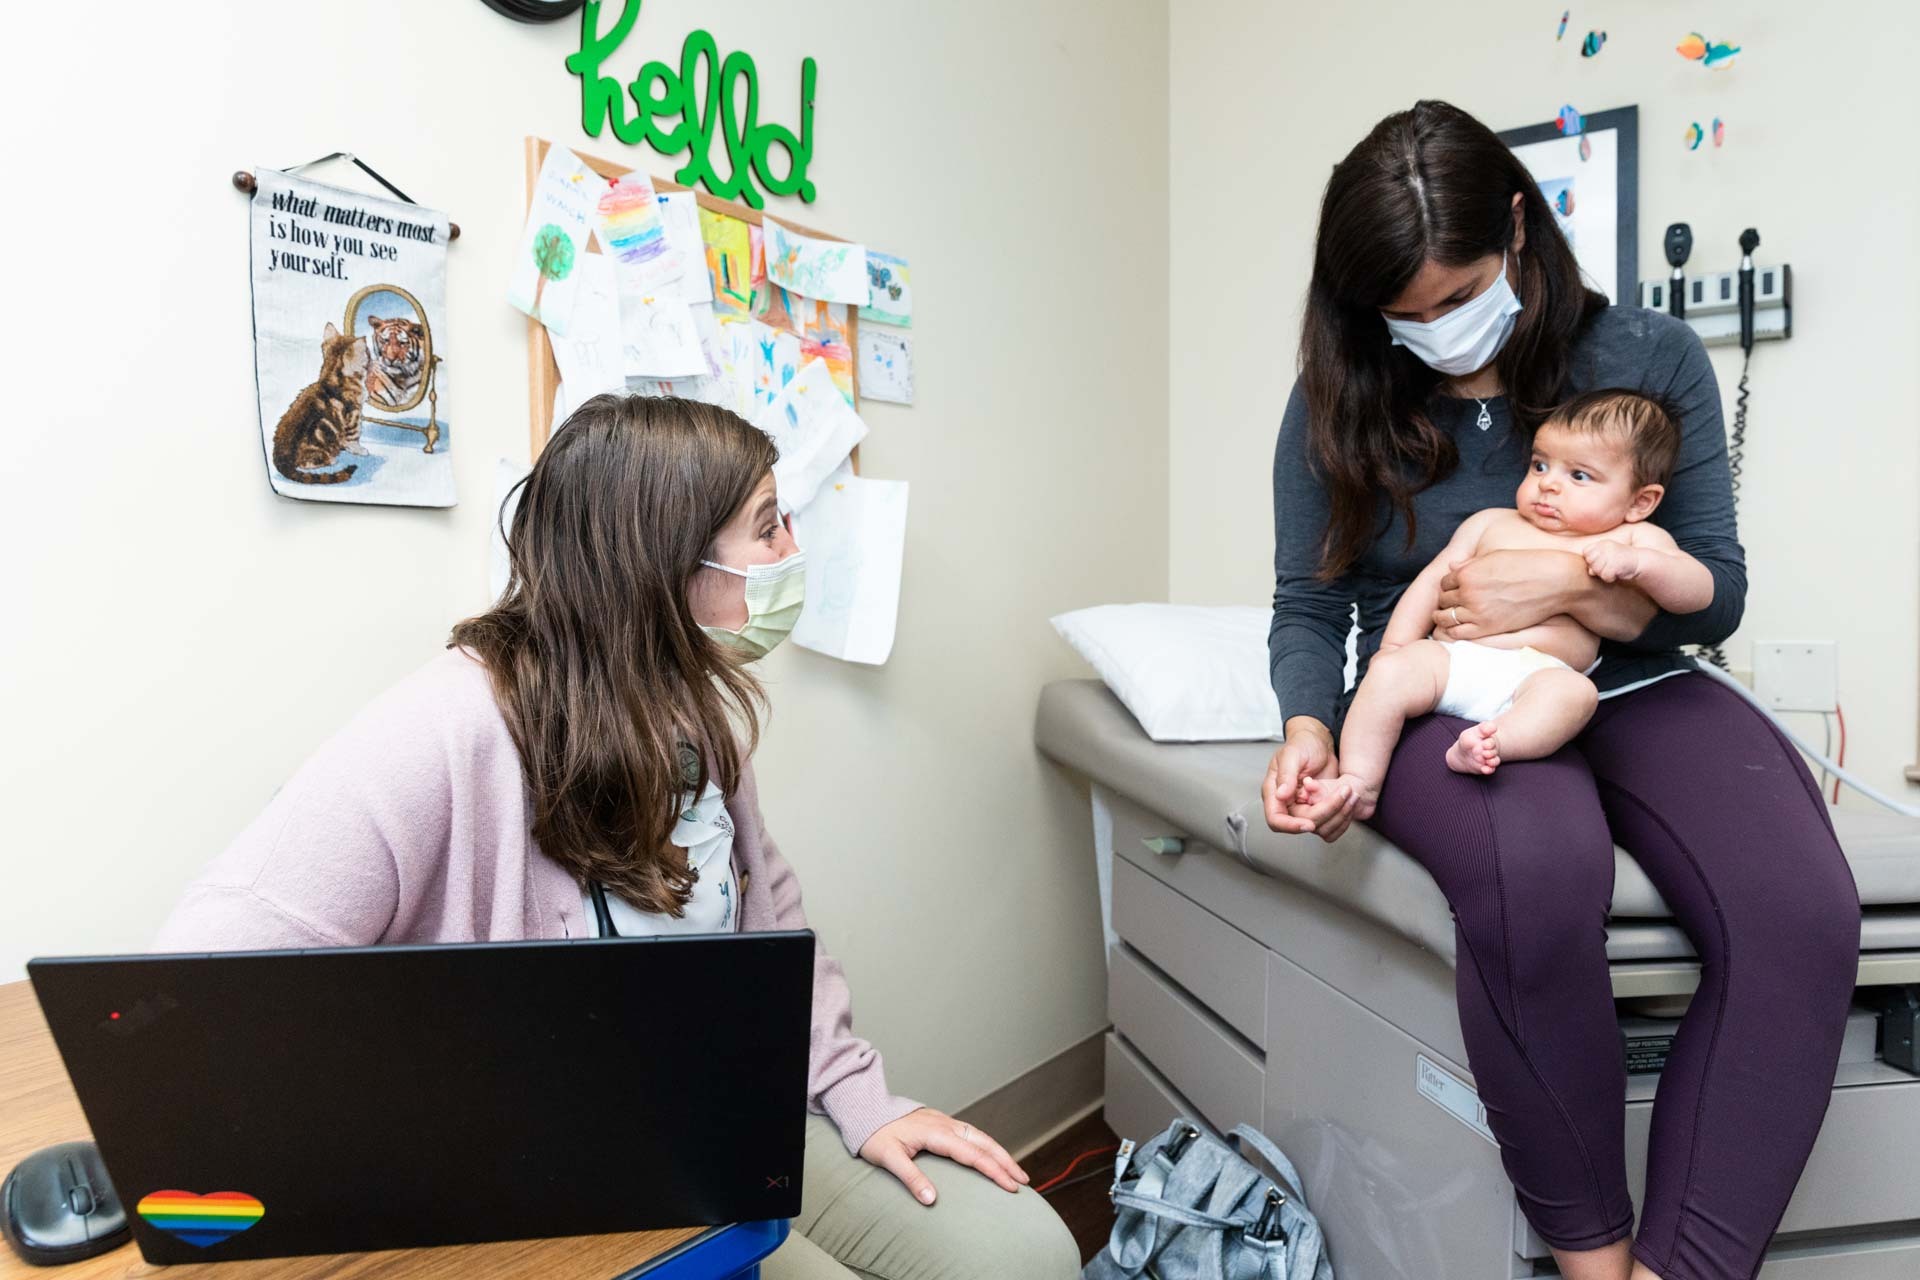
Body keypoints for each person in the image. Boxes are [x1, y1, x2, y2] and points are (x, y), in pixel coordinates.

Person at [157, 395, 1081, 1280]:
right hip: (555, 1176)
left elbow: (771, 930)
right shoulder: (445, 729)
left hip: (725, 1119)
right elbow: (202, 992)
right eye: (768, 526)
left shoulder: (693, 716)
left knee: (1026, 1255)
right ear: (666, 565)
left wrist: (855, 1092)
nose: (794, 549)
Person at [1260, 100, 1860, 1280]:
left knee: (1801, 910)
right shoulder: (1340, 398)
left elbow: (1715, 596)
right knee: (1537, 871)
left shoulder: (1647, 359)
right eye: (1404, 312)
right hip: (1445, 685)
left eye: (1458, 291)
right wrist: (1310, 724)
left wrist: (1567, 586)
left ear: (1519, 233)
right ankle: (1594, 1257)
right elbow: (1308, 602)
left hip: (1634, 683)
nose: (1435, 330)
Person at [1302, 388, 1711, 811]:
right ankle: (1359, 784)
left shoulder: (1631, 539)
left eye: (1579, 476)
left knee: (1576, 696)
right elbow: (1431, 581)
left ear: (1640, 502)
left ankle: (1493, 741)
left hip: (1538, 676)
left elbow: (1699, 591)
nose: (1548, 484)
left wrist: (1640, 564)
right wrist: (1396, 648)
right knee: (1386, 675)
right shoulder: (1492, 523)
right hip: (1453, 660)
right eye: (1539, 465)